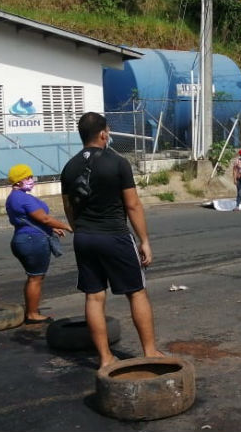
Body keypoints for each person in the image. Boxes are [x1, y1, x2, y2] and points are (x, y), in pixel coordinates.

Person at [60, 112, 164, 369]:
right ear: (104, 133)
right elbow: (133, 205)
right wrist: (145, 241)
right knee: (136, 293)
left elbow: (68, 209)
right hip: (114, 235)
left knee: (94, 297)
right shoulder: (117, 163)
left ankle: (105, 358)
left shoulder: (69, 167)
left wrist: (81, 230)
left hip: (84, 237)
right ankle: (150, 351)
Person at [5, 164, 73, 324]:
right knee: (36, 278)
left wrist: (53, 229)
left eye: (31, 177)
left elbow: (32, 220)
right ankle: (33, 314)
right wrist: (67, 226)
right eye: (27, 178)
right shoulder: (21, 198)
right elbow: (44, 218)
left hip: (25, 237)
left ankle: (31, 310)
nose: (31, 180)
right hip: (32, 240)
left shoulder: (15, 197)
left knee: (33, 277)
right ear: (17, 182)